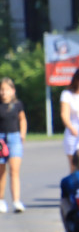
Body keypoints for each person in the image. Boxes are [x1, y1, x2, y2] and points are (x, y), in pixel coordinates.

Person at [0, 77, 27, 213]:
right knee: (1, 171)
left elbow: (22, 120)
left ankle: (16, 201)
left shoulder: (17, 105)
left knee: (14, 171)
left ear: (12, 91)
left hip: (15, 137)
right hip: (0, 139)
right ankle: (1, 200)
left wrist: (22, 134)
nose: (3, 92)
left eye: (6, 89)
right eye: (1, 89)